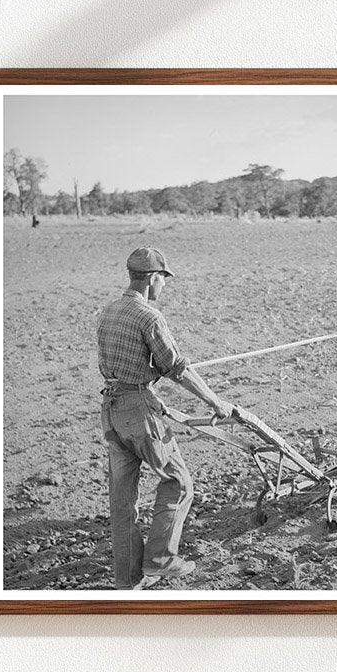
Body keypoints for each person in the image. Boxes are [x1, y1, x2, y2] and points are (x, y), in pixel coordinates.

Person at [96, 246, 234, 589]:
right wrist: (215, 402)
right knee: (178, 481)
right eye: (163, 280)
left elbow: (124, 363)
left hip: (111, 412)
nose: (163, 287)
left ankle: (127, 580)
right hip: (139, 412)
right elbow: (178, 370)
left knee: (122, 502)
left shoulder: (107, 312)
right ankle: (160, 558)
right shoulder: (149, 317)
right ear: (153, 279)